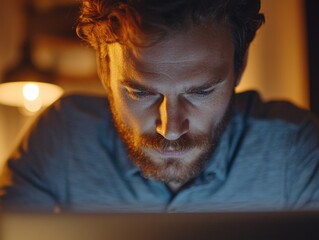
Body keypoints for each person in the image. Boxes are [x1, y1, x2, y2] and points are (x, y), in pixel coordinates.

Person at [0, 0, 318, 212]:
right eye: (140, 92)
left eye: (202, 91)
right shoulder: (62, 137)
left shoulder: (294, 149)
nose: (170, 128)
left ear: (241, 65)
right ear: (104, 70)